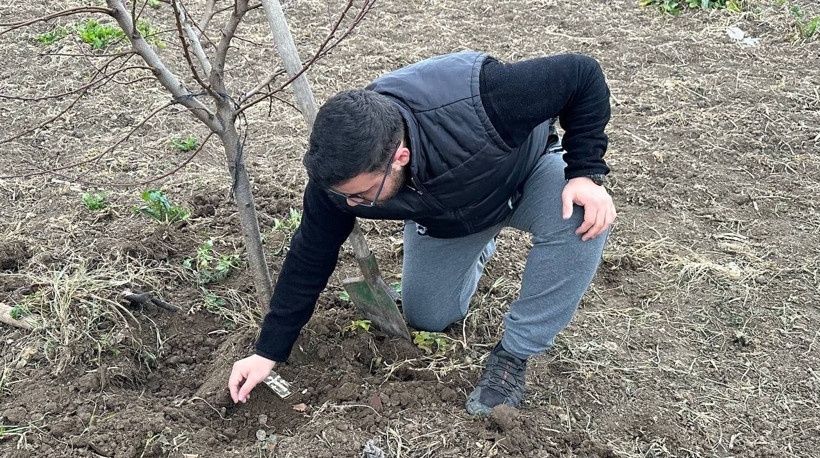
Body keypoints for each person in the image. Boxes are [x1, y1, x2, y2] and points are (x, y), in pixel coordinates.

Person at [229, 51, 616, 416]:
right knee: (429, 316)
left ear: (400, 156)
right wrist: (268, 351)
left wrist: (585, 171)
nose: (353, 205)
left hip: (525, 175)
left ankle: (514, 355)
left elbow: (582, 74)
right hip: (449, 218)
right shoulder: (340, 185)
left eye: (363, 195)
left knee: (582, 214)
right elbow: (309, 256)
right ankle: (479, 244)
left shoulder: (484, 102)